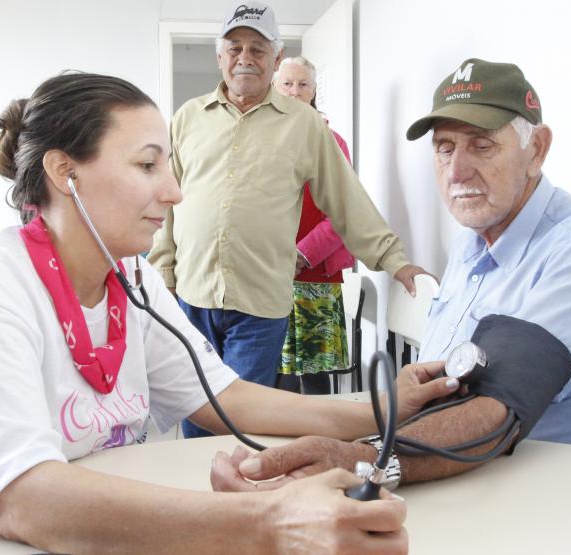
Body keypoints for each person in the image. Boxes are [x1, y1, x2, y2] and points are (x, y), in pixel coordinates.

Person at [0, 71, 462, 555]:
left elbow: (227, 399)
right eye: (146, 165)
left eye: (168, 164)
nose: (174, 190)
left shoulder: (129, 276)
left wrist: (378, 411)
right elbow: (21, 501)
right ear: (65, 173)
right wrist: (269, 523)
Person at [211, 58, 571, 492]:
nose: (456, 171)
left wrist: (359, 461)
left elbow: (492, 412)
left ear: (536, 150)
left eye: (482, 145)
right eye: (444, 147)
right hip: (457, 481)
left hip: (534, 498)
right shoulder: (474, 241)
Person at [147, 1, 428, 438]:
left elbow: (346, 199)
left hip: (260, 303)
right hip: (192, 295)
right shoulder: (187, 118)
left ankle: (237, 500)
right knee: (196, 417)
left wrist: (395, 259)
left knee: (241, 424)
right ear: (219, 55)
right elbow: (165, 199)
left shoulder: (304, 125)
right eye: (235, 47)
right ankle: (200, 501)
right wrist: (163, 269)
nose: (245, 58)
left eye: (258, 49)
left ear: (275, 59)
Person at [273, 55, 354, 395]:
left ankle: (321, 447)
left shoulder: (332, 143)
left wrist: (302, 254)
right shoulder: (260, 141)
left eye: (302, 84)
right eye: (287, 83)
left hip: (315, 275)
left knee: (316, 382)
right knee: (275, 380)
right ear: (275, 88)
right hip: (267, 275)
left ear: (314, 90)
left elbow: (342, 212)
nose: (294, 91)